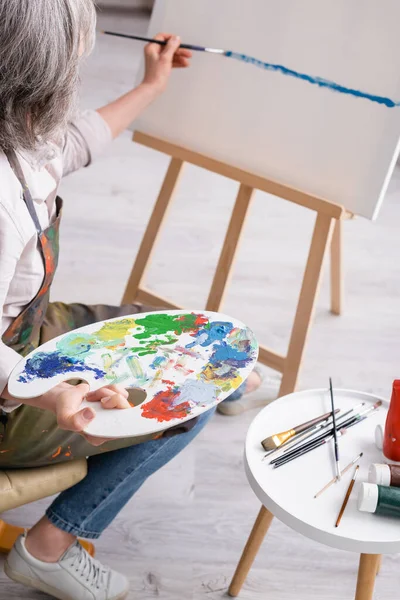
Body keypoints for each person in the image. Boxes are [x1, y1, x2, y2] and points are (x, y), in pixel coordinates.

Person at [0, 2, 262, 598]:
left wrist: (152, 84)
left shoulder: (18, 134)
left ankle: (230, 379)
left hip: (28, 337)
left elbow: (69, 145)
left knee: (174, 336)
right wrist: (57, 391)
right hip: (7, 398)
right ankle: (47, 549)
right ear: (37, 66)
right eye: (77, 51)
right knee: (185, 399)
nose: (82, 60)